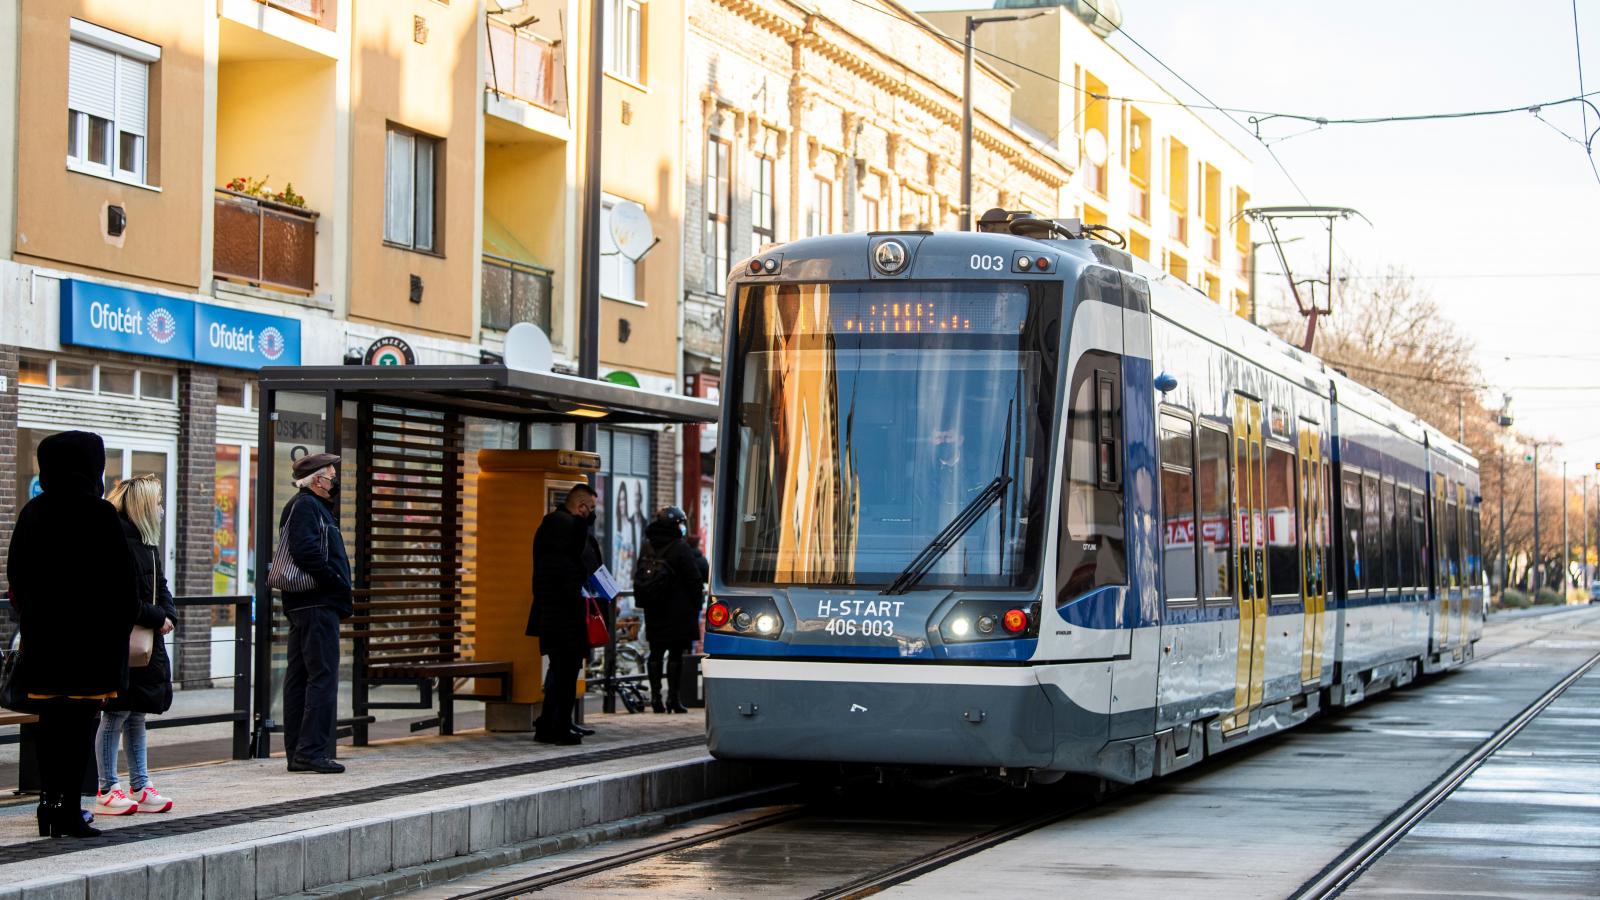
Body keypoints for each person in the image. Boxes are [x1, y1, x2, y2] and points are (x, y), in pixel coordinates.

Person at [6, 431, 140, 838]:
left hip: (45, 640)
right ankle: (69, 807)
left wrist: (32, 616)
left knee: (48, 723)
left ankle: (48, 805)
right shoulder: (99, 515)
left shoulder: (33, 512)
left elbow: (15, 578)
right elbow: (124, 584)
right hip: (90, 643)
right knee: (80, 724)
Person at [94, 474, 179, 816]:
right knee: (116, 713)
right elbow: (121, 600)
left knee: (136, 714)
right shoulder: (121, 542)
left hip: (144, 644)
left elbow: (161, 584)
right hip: (125, 643)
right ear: (144, 506)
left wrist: (167, 614)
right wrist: (160, 617)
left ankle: (140, 784)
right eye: (158, 503)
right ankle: (106, 787)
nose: (161, 509)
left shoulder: (146, 543)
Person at [279, 452, 352, 774]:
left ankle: (299, 751)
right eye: (332, 477)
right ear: (318, 480)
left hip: (305, 604)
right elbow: (305, 550)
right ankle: (311, 751)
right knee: (322, 676)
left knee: (299, 677)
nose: (335, 483)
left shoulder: (304, 505)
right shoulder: (307, 505)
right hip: (315, 603)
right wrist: (335, 582)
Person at [526, 484, 601, 745]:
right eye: (591, 509)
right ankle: (556, 727)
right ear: (581, 507)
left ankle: (551, 723)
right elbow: (571, 571)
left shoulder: (552, 527)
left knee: (561, 670)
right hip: (565, 614)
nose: (592, 514)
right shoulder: (567, 528)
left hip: (553, 612)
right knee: (566, 672)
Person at [637, 507, 708, 714]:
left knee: (655, 654)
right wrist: (696, 604)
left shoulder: (647, 546)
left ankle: (656, 698)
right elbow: (694, 578)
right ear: (676, 525)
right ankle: (673, 699)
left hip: (654, 608)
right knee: (676, 655)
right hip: (679, 611)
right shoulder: (680, 547)